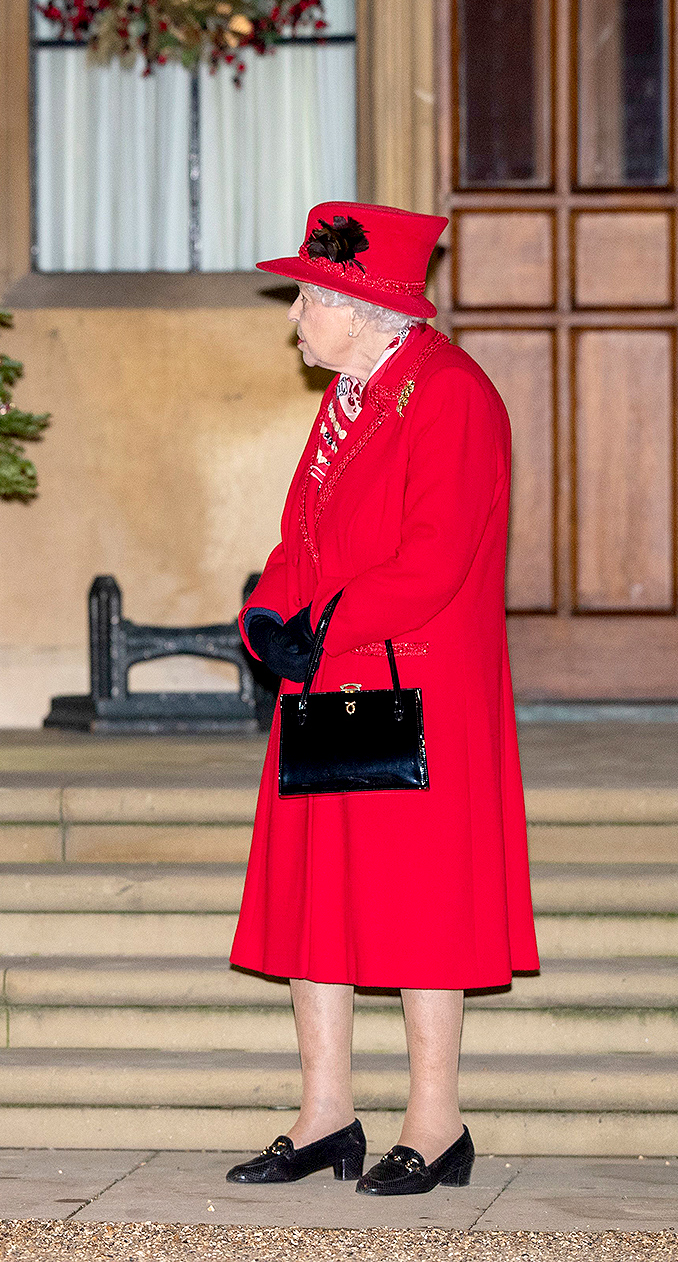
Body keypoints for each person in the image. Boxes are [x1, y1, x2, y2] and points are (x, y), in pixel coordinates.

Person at [228, 202, 537, 1196]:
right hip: (333, 676)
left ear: (364, 303)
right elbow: (298, 537)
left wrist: (326, 625)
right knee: (319, 903)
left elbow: (436, 560)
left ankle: (435, 1122)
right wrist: (268, 616)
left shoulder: (448, 395)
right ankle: (324, 1115)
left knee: (418, 906)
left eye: (309, 298)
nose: (295, 319)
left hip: (416, 688)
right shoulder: (356, 393)